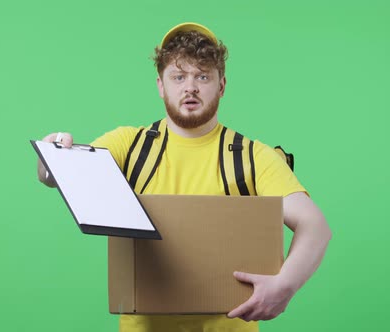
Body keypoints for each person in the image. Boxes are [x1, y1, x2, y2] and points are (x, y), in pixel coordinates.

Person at [37, 22, 331, 332]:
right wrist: (50, 157)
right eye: (178, 77)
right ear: (161, 86)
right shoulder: (129, 145)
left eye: (202, 76)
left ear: (221, 86)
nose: (189, 87)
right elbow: (58, 175)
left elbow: (315, 227)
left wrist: (284, 286)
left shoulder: (253, 156)